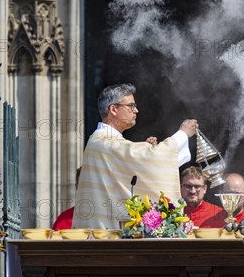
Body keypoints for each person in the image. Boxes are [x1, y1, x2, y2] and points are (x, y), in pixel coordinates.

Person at [73, 83, 198, 229]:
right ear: (113, 109)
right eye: (131, 106)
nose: (136, 110)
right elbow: (151, 159)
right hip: (105, 234)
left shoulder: (103, 140)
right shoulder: (103, 141)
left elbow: (131, 171)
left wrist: (145, 152)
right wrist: (182, 134)